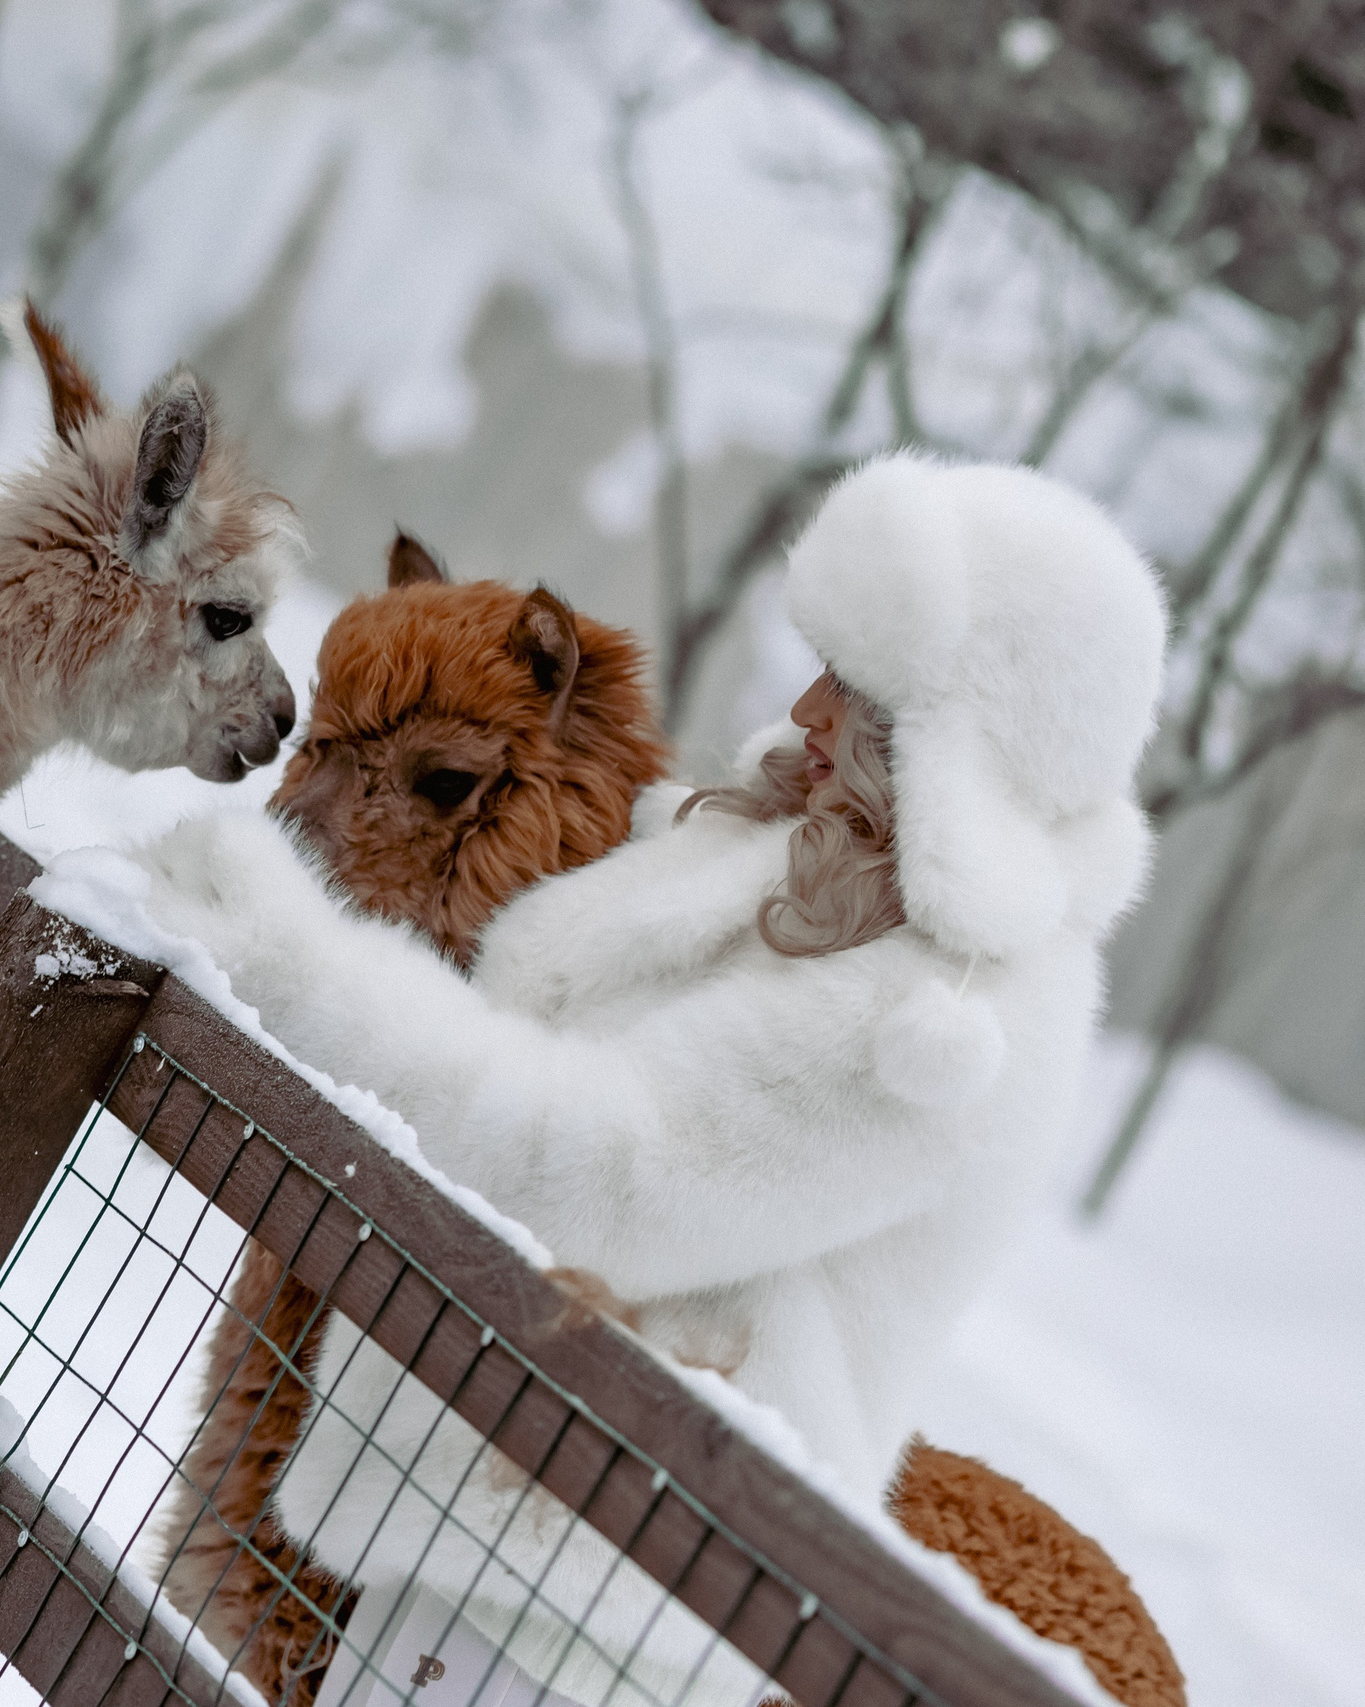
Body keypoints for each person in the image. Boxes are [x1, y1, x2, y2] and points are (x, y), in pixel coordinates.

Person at [134, 453, 1167, 1706]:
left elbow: (606, 1174)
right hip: (498, 1522)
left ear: (953, 743)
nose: (806, 708)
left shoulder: (935, 1020)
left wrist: (299, 963)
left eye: (855, 691)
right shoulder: (808, 864)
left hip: (597, 1602)